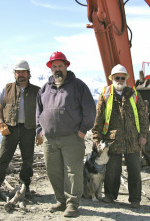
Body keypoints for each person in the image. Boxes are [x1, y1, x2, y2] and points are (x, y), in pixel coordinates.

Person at [36, 51, 96, 217]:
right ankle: (60, 201)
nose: (57, 69)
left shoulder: (78, 86)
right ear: (50, 68)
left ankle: (73, 204)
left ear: (66, 66)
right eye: (54, 66)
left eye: (60, 66)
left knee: (72, 172)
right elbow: (38, 111)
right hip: (49, 139)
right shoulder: (45, 88)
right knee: (53, 171)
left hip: (72, 138)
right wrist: (39, 130)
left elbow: (90, 111)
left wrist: (83, 131)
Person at [91, 64, 149, 209]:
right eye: (117, 77)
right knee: (112, 171)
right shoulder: (105, 94)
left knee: (135, 170)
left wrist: (143, 135)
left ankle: (135, 199)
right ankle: (110, 196)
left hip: (133, 140)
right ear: (112, 78)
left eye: (123, 78)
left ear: (126, 79)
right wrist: (96, 138)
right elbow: (98, 118)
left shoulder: (134, 94)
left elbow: (143, 116)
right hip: (112, 140)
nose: (120, 80)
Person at [0, 60, 40, 202]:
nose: (20, 74)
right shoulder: (7, 88)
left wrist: (40, 130)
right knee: (3, 159)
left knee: (27, 160)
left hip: (29, 129)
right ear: (14, 74)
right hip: (10, 128)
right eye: (18, 72)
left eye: (23, 72)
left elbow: (42, 111)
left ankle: (25, 187)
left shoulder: (37, 91)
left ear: (28, 74)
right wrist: (0, 123)